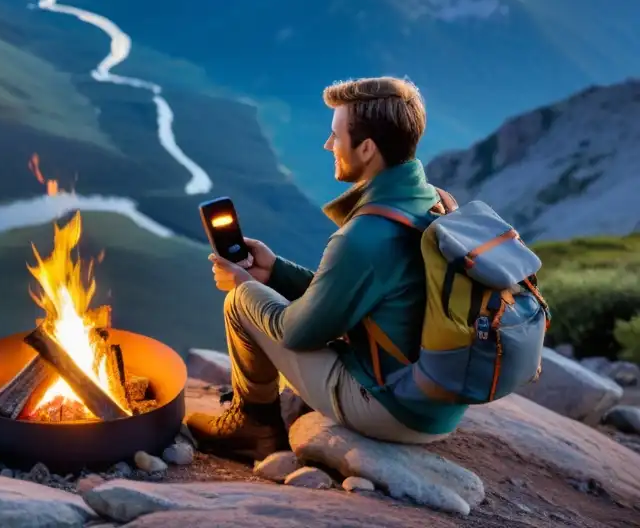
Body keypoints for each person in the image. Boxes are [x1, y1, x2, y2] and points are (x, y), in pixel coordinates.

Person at [185, 76, 468, 462]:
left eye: (336, 135)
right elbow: (357, 296)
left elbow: (298, 333)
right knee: (257, 293)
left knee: (241, 301)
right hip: (436, 402)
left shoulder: (367, 235)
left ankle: (252, 427)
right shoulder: (436, 203)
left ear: (366, 148)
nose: (328, 145)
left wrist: (248, 284)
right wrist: (277, 273)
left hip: (392, 411)